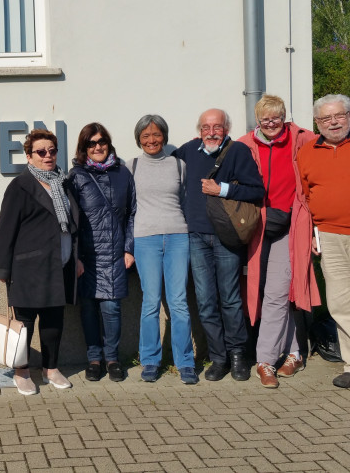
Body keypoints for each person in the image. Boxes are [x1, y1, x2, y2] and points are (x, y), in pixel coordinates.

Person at [173, 109, 264, 382]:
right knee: (205, 302)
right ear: (199, 130)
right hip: (196, 237)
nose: (211, 132)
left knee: (231, 299)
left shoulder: (238, 152)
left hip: (227, 236)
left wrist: (222, 189)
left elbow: (256, 191)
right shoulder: (187, 151)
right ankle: (218, 358)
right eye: (206, 127)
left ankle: (238, 356)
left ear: (226, 128)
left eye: (217, 127)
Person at [237, 95, 320, 388]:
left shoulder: (303, 139)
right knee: (277, 292)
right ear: (257, 120)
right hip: (257, 225)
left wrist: (315, 229)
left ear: (284, 116)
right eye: (264, 118)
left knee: (276, 292)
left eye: (276, 117)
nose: (270, 123)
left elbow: (318, 180)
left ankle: (265, 360)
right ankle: (295, 353)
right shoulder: (244, 144)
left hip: (290, 225)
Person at [0, 129, 81, 395]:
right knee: (25, 323)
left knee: (54, 321)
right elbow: (5, 229)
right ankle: (21, 372)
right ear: (29, 156)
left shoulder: (63, 182)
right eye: (41, 152)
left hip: (60, 264)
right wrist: (1, 269)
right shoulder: (20, 186)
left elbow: (74, 225)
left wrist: (78, 258)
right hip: (28, 268)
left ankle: (50, 368)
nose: (48, 156)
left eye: (52, 151)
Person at [128, 115, 198, 385]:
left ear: (164, 137)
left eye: (156, 135)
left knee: (179, 302)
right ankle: (150, 360)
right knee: (150, 301)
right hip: (145, 239)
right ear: (139, 139)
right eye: (145, 136)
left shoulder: (179, 165)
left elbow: (184, 200)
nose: (151, 140)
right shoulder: (130, 166)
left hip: (178, 236)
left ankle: (185, 362)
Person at [67, 123, 136, 382]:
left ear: (108, 143)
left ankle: (113, 359)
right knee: (88, 309)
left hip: (115, 253)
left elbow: (132, 213)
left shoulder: (122, 173)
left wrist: (129, 248)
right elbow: (72, 221)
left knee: (111, 309)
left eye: (101, 141)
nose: (98, 147)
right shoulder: (76, 176)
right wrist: (77, 257)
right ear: (84, 148)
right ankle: (94, 359)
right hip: (87, 256)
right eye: (91, 143)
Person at [297, 94, 350, 389]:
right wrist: (312, 234)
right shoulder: (306, 152)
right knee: (341, 302)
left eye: (339, 115)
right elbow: (304, 199)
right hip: (329, 235)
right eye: (326, 118)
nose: (333, 122)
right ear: (317, 123)